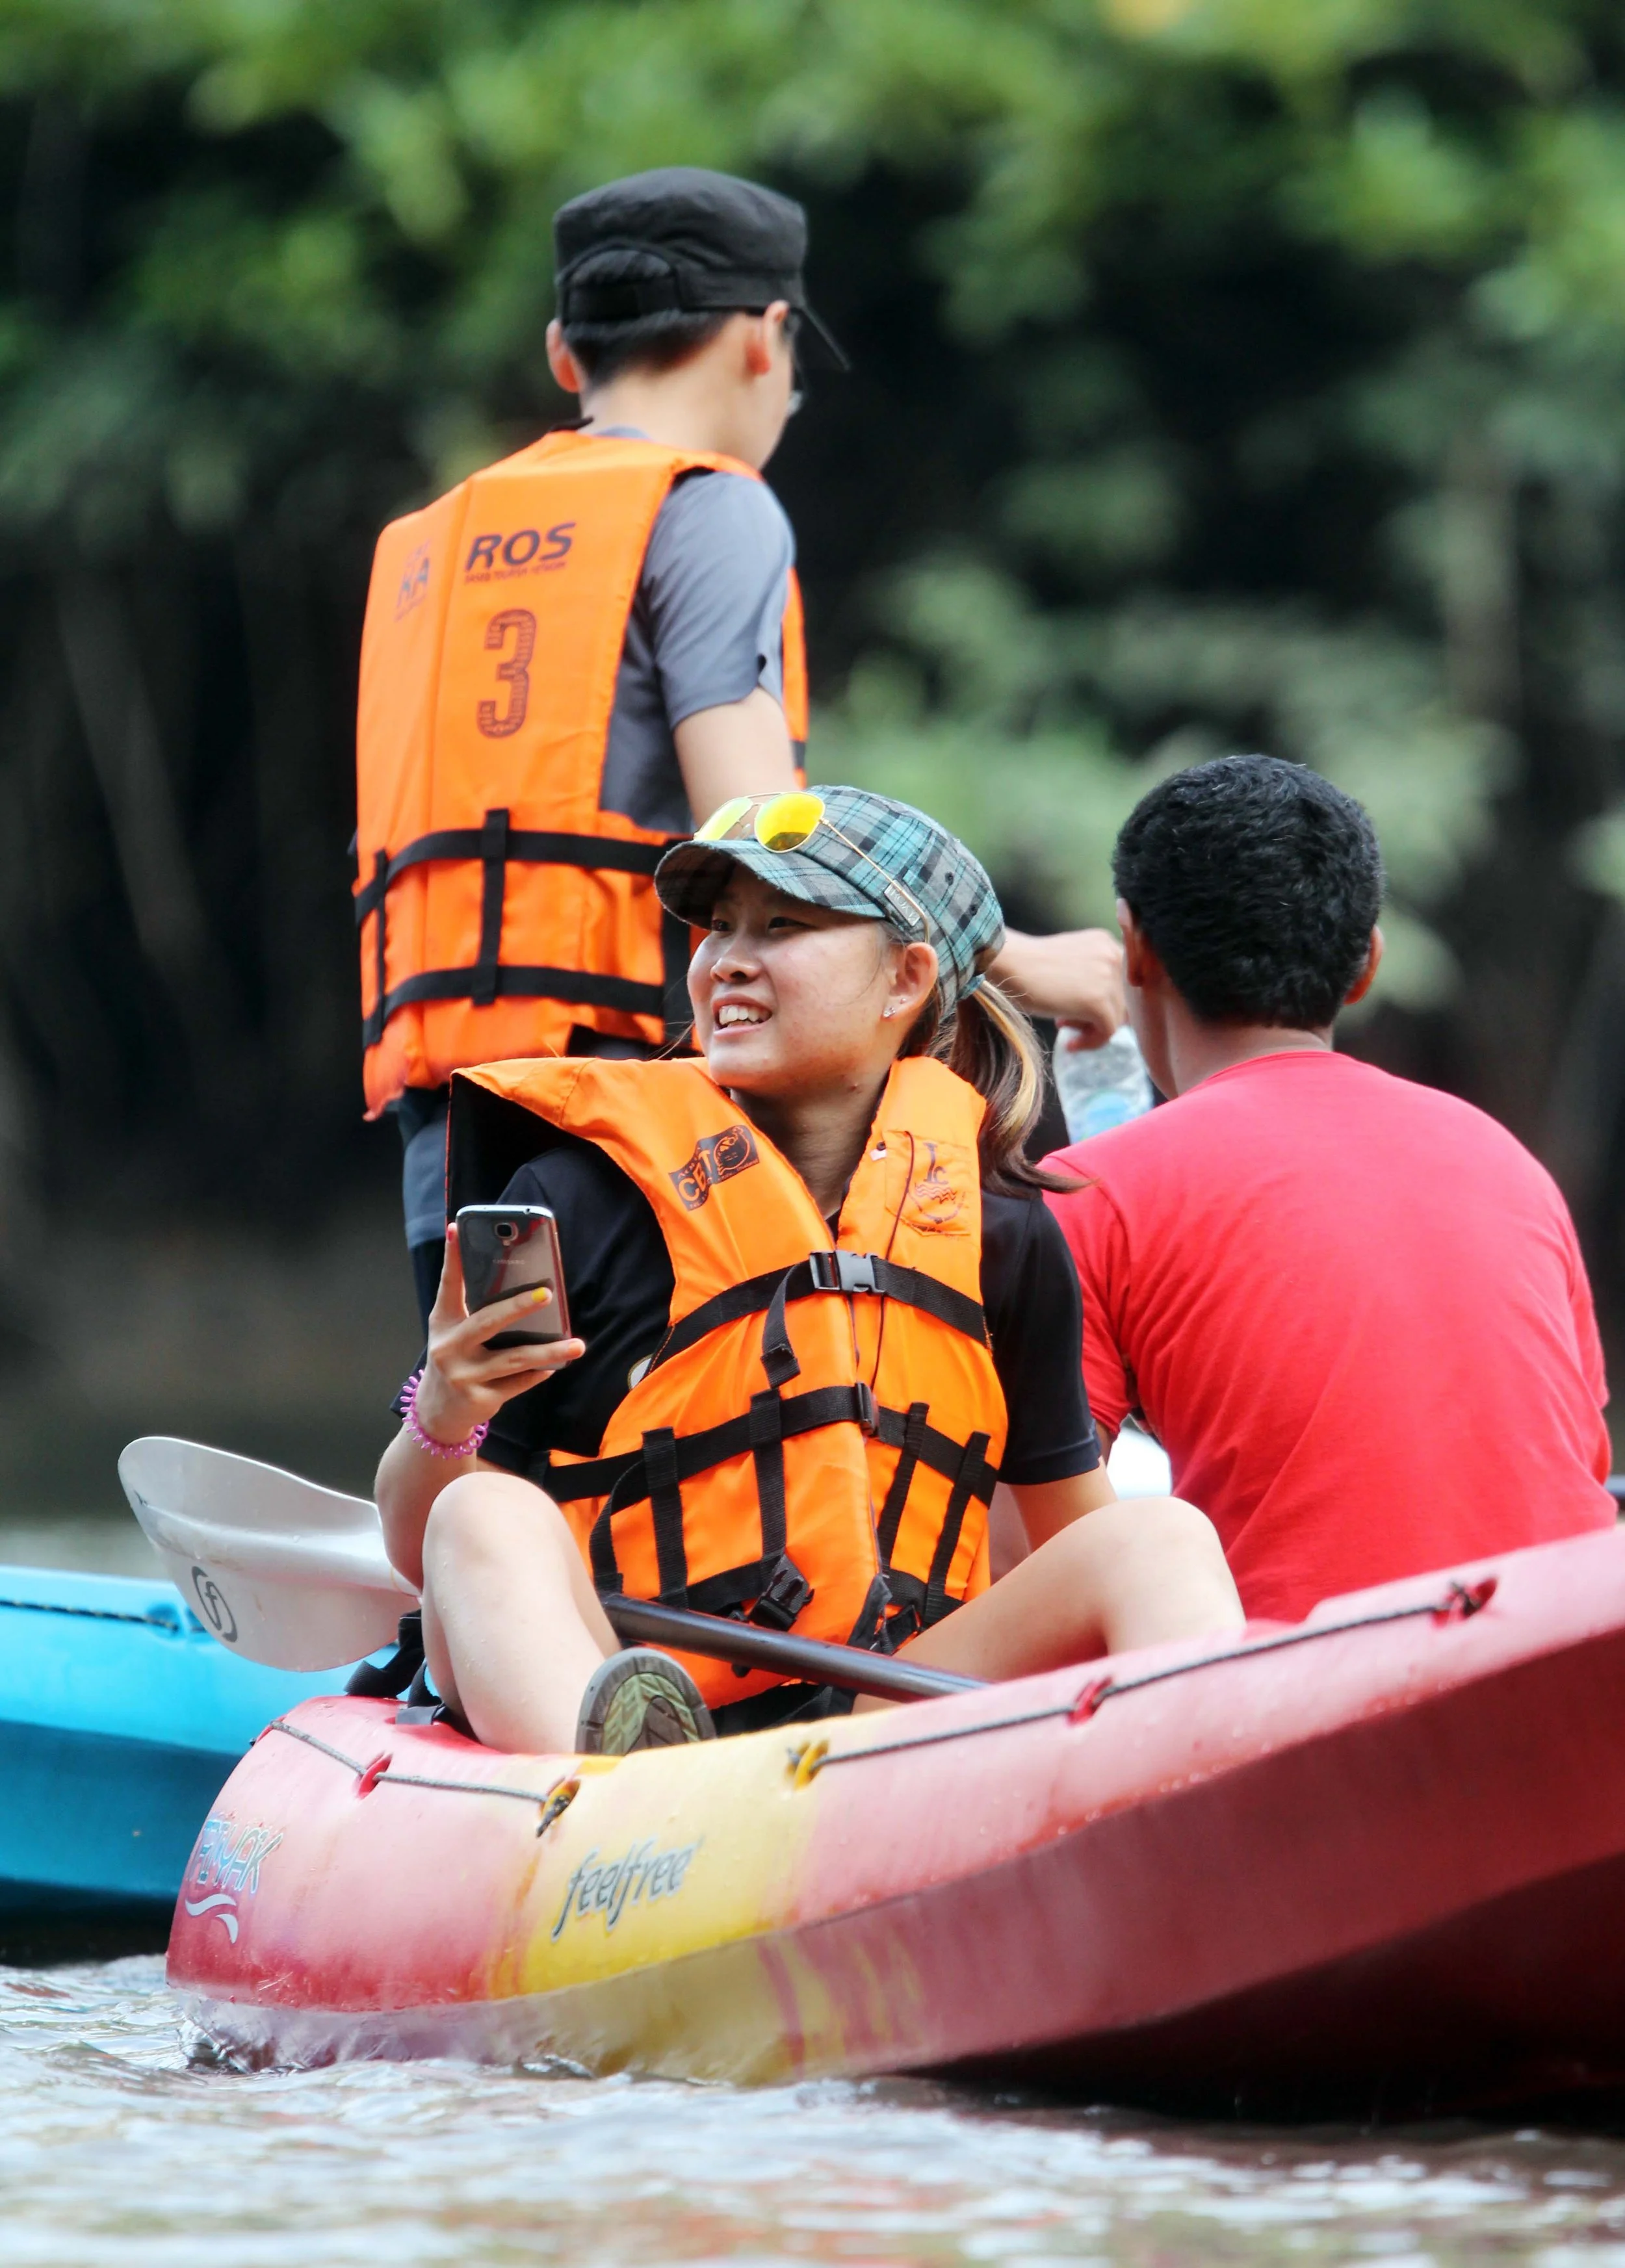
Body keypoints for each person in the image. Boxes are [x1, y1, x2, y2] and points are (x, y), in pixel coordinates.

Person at [354, 166, 1126, 1325]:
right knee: (693, 1480)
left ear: (568, 355)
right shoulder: (709, 505)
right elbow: (767, 845)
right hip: (644, 1124)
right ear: (768, 338)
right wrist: (1019, 959)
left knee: (508, 1448)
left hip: (455, 1137)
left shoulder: (426, 543)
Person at [375, 787, 1241, 1755]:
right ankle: (629, 1804)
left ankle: (1202, 1793)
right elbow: (429, 1555)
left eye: (783, 924)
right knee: (482, 1512)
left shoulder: (1002, 1235)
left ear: (904, 980)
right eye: (718, 927)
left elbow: (1071, 1545)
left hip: (883, 1724)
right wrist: (445, 1405)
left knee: (1159, 1538)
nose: (727, 959)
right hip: (626, 1699)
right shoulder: (578, 1199)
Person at [1043, 754, 1617, 1625]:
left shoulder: (1092, 1190)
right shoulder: (1507, 1161)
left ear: (1136, 948)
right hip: (1570, 1678)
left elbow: (1036, 1555)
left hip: (1304, 1717)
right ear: (1368, 964)